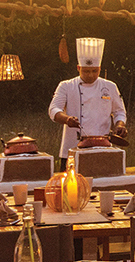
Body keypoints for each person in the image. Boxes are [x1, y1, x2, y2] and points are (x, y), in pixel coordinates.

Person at [46, 36, 126, 167]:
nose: (90, 75)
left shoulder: (110, 87)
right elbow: (53, 110)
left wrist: (120, 125)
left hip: (103, 148)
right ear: (78, 68)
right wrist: (67, 119)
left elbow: (119, 112)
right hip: (72, 149)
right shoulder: (66, 86)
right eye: (86, 71)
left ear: (99, 68)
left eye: (94, 71)